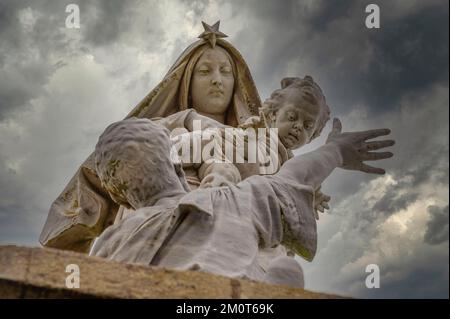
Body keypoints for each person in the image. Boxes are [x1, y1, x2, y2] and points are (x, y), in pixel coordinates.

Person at [39, 21, 261, 253]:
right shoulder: (159, 129)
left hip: (235, 242)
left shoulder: (259, 142)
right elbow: (106, 170)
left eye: (225, 71)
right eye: (205, 71)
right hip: (150, 231)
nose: (217, 80)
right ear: (186, 81)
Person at [90, 117, 394, 283]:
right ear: (177, 165)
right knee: (286, 271)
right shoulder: (234, 200)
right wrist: (337, 151)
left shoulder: (107, 245)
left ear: (119, 196)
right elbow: (293, 178)